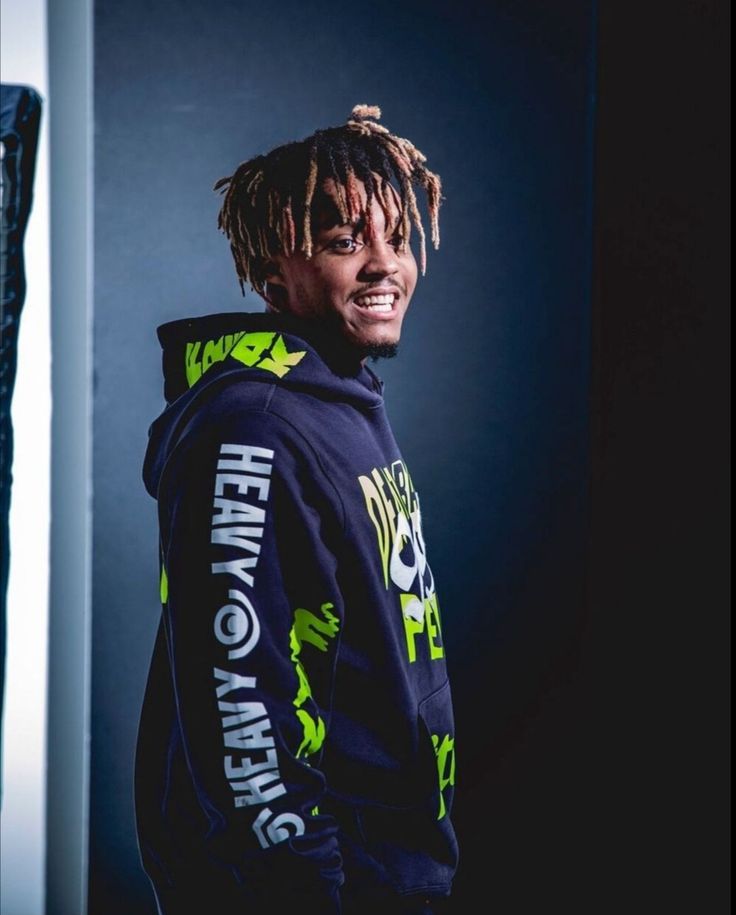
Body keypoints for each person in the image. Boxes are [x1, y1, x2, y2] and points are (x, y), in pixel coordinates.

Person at [135, 104, 458, 915]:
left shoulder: (342, 402)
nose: (386, 265)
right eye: (346, 241)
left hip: (387, 868)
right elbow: (242, 705)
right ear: (274, 273)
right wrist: (310, 888)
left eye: (398, 236)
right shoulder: (256, 426)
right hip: (321, 887)